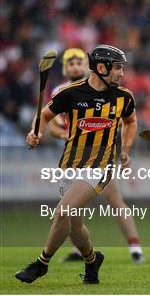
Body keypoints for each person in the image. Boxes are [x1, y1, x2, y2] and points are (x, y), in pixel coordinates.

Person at [16, 45, 137, 284]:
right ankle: (93, 260)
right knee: (74, 225)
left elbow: (131, 121)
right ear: (101, 68)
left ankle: (41, 263)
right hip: (69, 166)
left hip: (100, 167)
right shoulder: (70, 93)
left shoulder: (124, 97)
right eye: (118, 68)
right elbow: (45, 115)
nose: (122, 74)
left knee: (63, 211)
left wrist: (125, 149)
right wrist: (35, 132)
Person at [51, 48, 144, 264]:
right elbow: (53, 126)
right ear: (65, 68)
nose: (75, 66)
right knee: (72, 211)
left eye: (79, 62)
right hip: (72, 158)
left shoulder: (103, 86)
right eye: (70, 63)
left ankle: (135, 247)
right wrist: (64, 132)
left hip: (99, 158)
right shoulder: (63, 91)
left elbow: (122, 118)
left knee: (114, 200)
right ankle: (82, 251)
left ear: (88, 65)